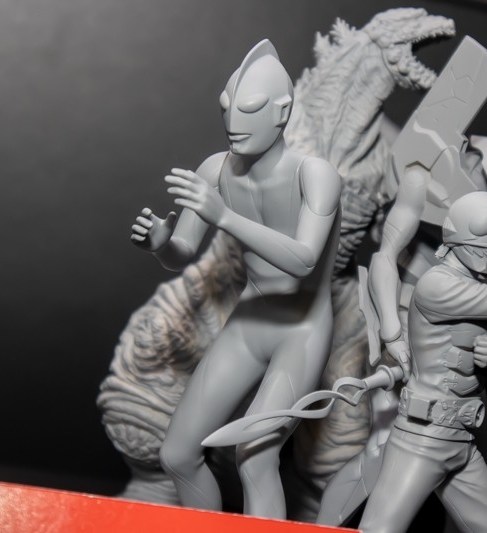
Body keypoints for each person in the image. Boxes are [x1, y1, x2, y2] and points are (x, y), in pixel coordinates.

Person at [129, 39, 341, 519]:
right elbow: (182, 253)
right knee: (177, 454)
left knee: (256, 457)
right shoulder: (216, 169)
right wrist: (161, 242)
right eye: (226, 108)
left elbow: (304, 260)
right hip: (249, 321)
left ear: (281, 112)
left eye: (249, 109)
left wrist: (223, 215)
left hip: (301, 330)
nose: (232, 121)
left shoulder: (315, 174)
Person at [358, 191, 487, 533]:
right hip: (422, 441)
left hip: (463, 442)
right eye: (486, 248)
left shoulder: (486, 285)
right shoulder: (437, 285)